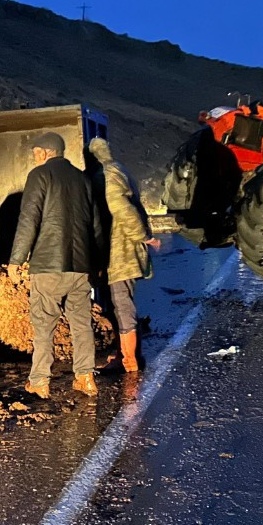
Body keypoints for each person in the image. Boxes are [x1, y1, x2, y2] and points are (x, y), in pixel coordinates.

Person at [8, 132, 105, 399]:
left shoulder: (39, 176)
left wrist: (16, 260)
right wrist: (97, 263)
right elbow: (96, 226)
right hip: (80, 266)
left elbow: (29, 220)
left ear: (44, 152)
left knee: (44, 324)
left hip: (48, 266)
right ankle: (85, 377)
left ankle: (39, 381)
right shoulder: (83, 179)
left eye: (35, 152)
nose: (34, 157)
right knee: (81, 323)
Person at [88, 137, 161, 374]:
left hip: (120, 251)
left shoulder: (107, 175)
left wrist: (143, 236)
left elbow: (120, 207)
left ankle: (130, 362)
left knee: (121, 302)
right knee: (121, 302)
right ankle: (127, 355)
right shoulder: (119, 170)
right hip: (122, 249)